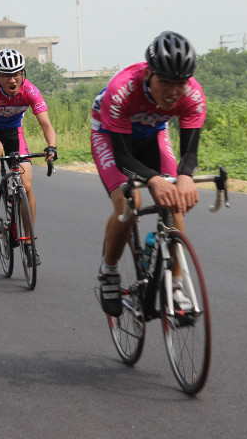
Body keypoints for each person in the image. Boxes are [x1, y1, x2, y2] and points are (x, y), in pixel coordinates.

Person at [91, 31, 206, 316]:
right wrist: (153, 180)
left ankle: (175, 286)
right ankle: (109, 271)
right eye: (164, 82)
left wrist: (185, 176)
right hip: (110, 136)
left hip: (153, 134)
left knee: (175, 200)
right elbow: (122, 156)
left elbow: (189, 154)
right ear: (148, 75)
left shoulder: (193, 95)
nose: (172, 92)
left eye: (179, 84)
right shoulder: (122, 89)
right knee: (129, 204)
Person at [0, 49, 57, 265]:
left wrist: (51, 146)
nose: (12, 80)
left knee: (27, 187)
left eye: (16, 74)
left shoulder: (30, 90)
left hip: (14, 133)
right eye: (6, 75)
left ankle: (29, 243)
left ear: (23, 74)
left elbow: (46, 124)